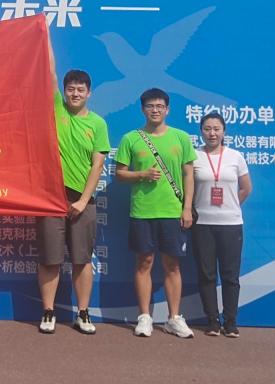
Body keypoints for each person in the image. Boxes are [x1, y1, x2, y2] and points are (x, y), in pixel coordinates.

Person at [36, 42, 110, 335]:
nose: (75, 93)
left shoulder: (98, 124)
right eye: (71, 89)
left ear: (89, 93)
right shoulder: (57, 109)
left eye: (81, 89)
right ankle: (48, 311)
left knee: (82, 260)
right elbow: (50, 73)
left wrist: (83, 200)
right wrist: (44, 31)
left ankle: (83, 313)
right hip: (50, 198)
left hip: (83, 201)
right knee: (50, 258)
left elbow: (98, 165)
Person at [114, 87, 196, 338]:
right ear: (143, 109)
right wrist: (142, 174)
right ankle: (144, 317)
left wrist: (187, 208)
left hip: (172, 211)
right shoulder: (131, 138)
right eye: (150, 106)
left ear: (167, 110)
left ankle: (174, 318)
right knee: (144, 263)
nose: (155, 110)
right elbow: (119, 174)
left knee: (172, 265)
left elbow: (189, 175)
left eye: (160, 106)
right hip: (142, 211)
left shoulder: (181, 138)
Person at [191, 111, 252, 338]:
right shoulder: (194, 156)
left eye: (216, 129)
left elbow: (246, 188)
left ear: (224, 131)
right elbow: (189, 188)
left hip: (231, 223)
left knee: (230, 275)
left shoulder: (235, 157)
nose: (212, 133)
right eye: (207, 129)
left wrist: (230, 205)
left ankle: (231, 322)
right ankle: (212, 321)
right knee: (206, 274)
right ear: (201, 131)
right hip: (202, 223)